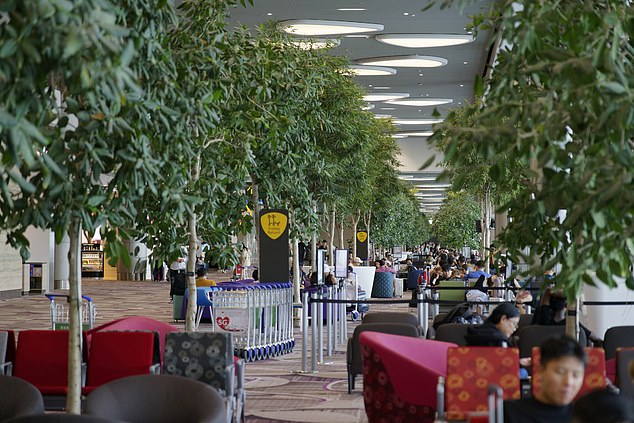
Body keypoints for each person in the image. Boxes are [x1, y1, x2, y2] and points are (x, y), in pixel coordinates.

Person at [504, 336, 586, 423]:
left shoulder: (585, 417)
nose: (568, 382)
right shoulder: (508, 412)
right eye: (560, 372)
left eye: (576, 375)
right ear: (540, 370)